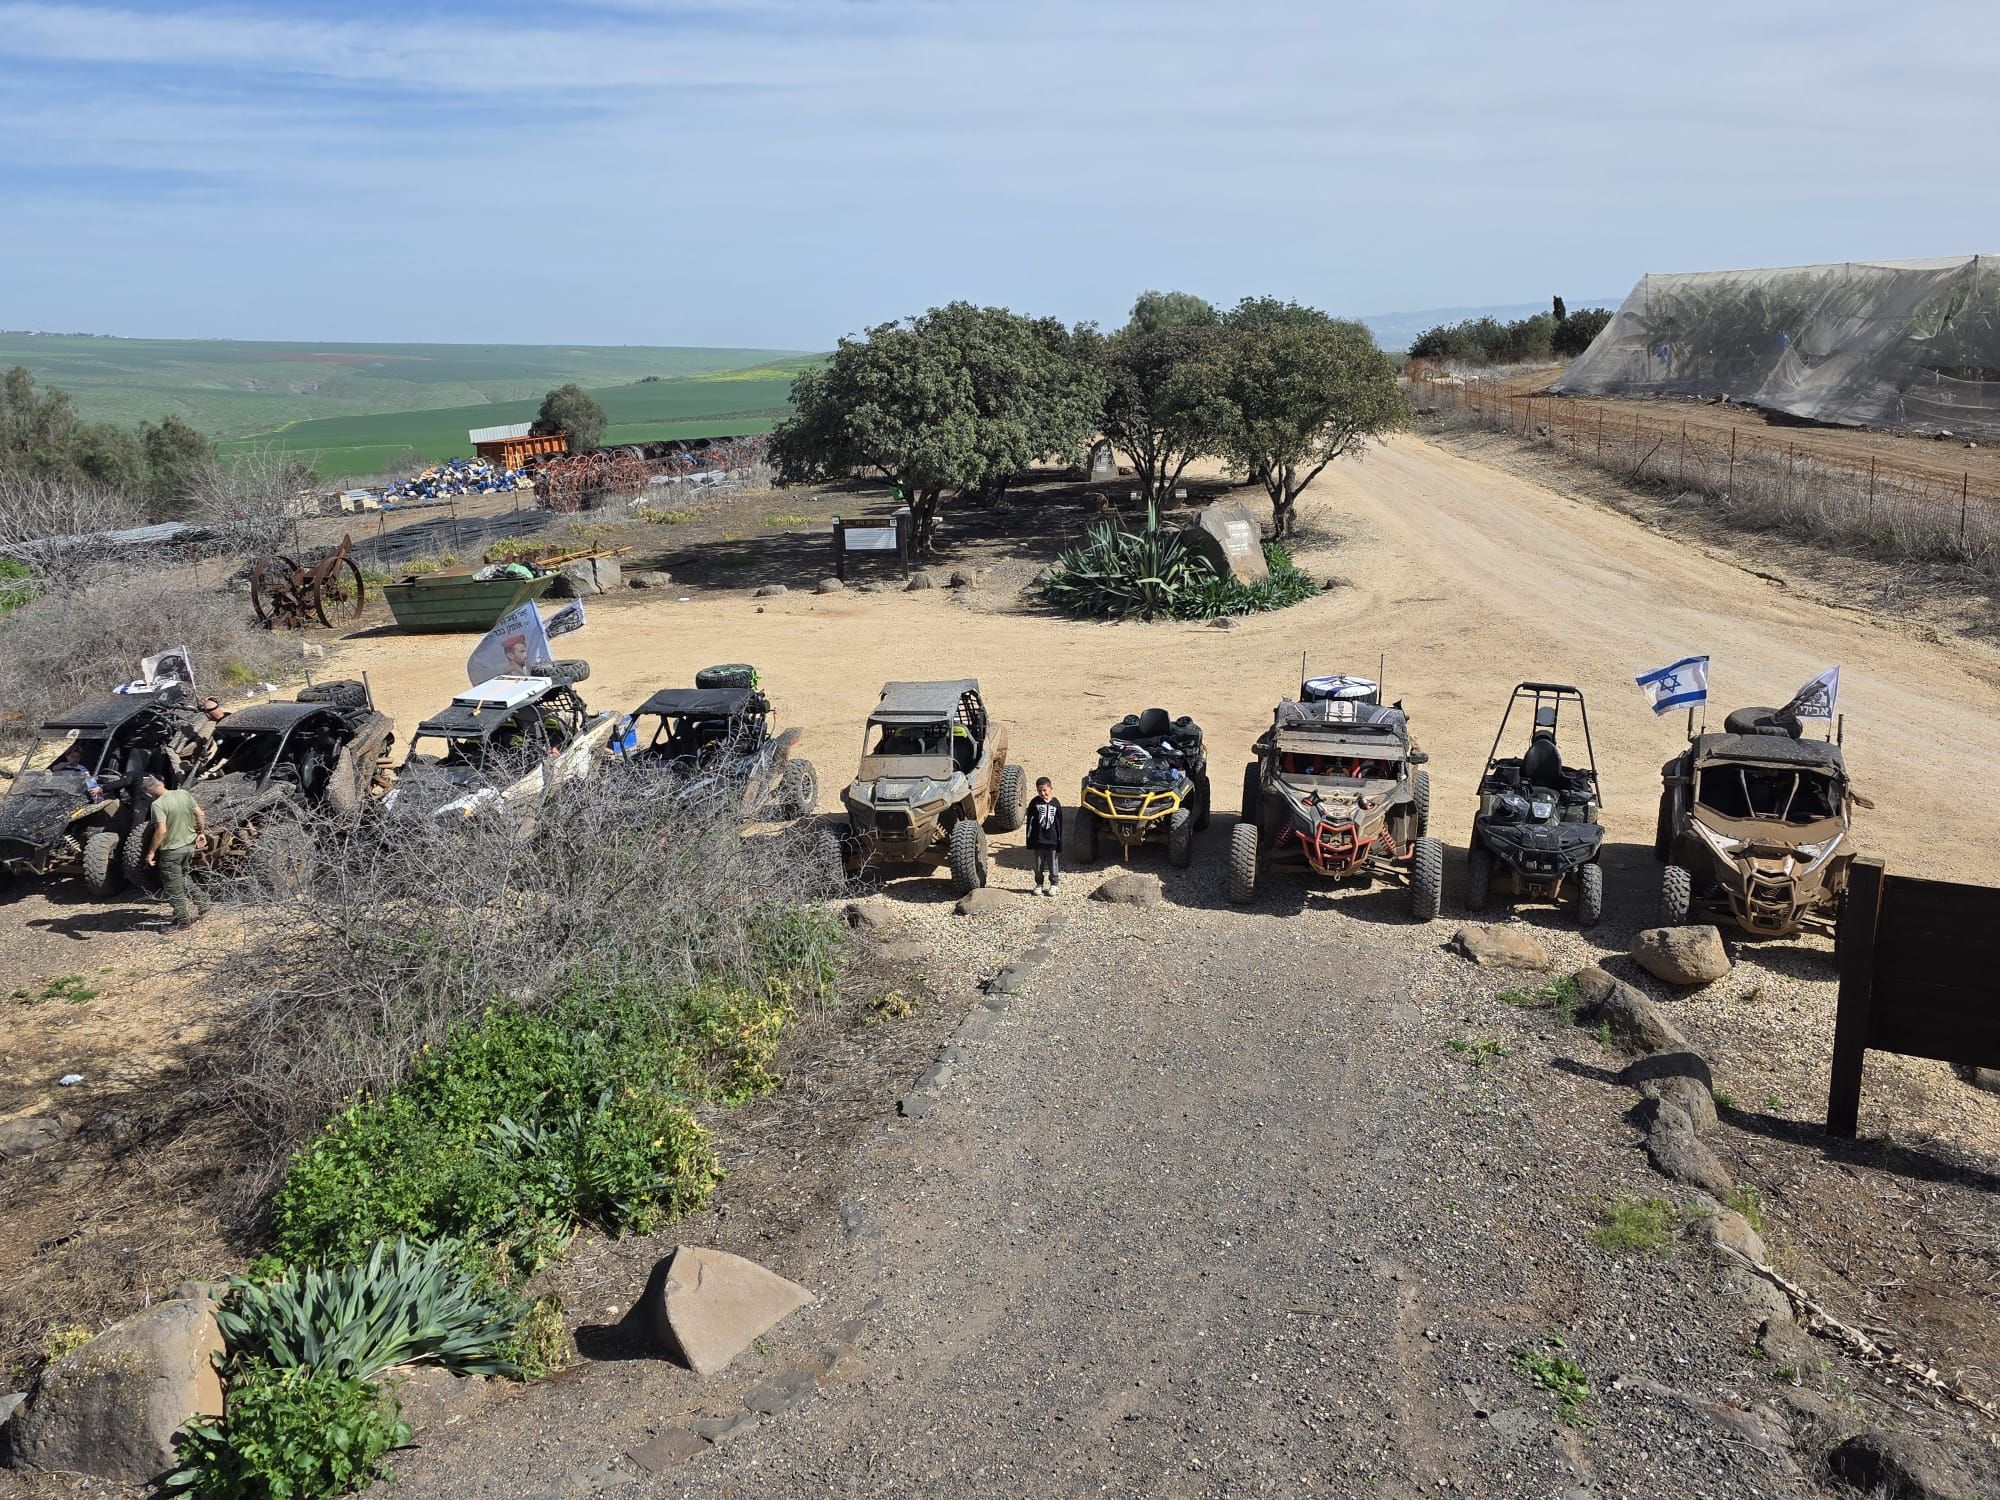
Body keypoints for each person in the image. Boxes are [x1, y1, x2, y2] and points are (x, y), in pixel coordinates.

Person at [141, 773, 207, 931]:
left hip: (172, 850)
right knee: (183, 877)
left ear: (149, 793)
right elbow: (200, 814)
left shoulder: (157, 805)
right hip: (189, 846)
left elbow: (161, 831)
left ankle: (183, 921)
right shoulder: (183, 793)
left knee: (172, 886)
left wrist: (151, 852)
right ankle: (204, 903)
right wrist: (201, 832)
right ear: (161, 784)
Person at [1026, 776, 1062, 896]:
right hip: (1038, 840)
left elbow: (1059, 823)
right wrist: (1029, 840)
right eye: (1039, 791)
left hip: (1052, 840)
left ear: (1051, 788)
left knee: (1053, 864)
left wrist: (1060, 842)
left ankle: (1054, 884)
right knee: (1038, 865)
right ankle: (1039, 884)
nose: (1042, 793)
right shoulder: (1034, 803)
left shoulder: (1056, 804)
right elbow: (1030, 822)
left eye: (1045, 790)